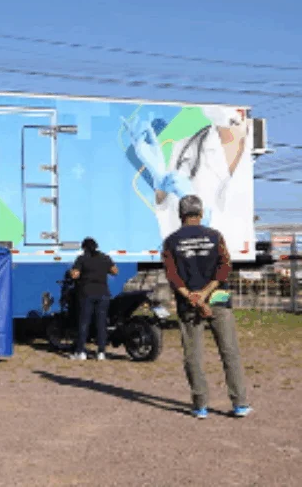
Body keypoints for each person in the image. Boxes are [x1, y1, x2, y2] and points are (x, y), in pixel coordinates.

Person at [161, 194, 252, 420]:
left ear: (180, 215)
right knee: (229, 352)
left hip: (188, 303)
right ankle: (239, 404)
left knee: (193, 355)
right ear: (200, 214)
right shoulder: (215, 236)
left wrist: (193, 297)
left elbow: (172, 276)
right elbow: (224, 267)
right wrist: (206, 294)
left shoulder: (171, 241)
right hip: (218, 299)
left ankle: (200, 406)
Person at [127, 106, 254, 253]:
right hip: (201, 261)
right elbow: (170, 227)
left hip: (241, 258)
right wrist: (160, 182)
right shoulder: (184, 148)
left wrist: (204, 216)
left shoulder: (266, 146)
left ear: (241, 111)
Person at [69, 237, 118, 361]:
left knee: (84, 322)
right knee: (101, 323)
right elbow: (115, 271)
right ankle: (101, 352)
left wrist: (71, 272)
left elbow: (75, 275)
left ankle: (81, 352)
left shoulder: (82, 259)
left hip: (86, 293)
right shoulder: (105, 257)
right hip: (103, 293)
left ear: (84, 247)